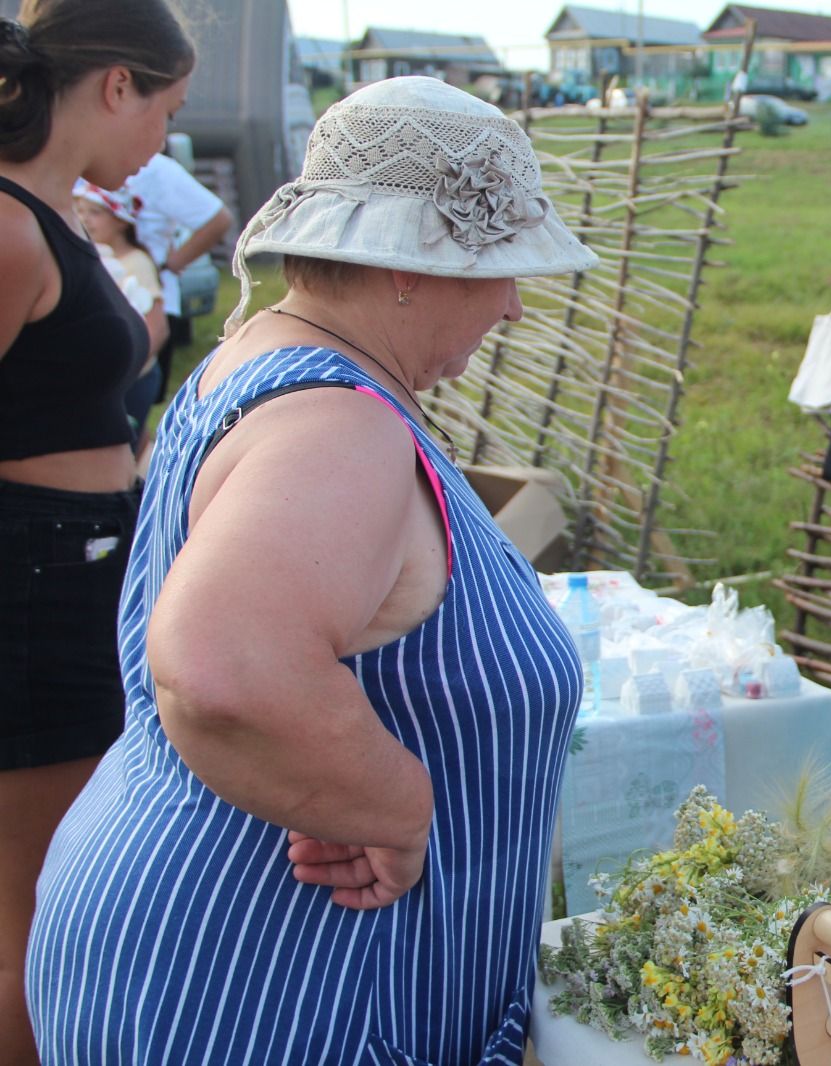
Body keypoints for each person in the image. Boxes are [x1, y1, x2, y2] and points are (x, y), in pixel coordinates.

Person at [26, 76, 598, 1063]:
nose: (511, 303)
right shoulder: (339, 424)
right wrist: (390, 800)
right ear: (408, 266)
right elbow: (222, 663)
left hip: (191, 938)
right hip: (265, 985)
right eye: (498, 266)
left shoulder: (254, 360)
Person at [0, 1, 193, 1060]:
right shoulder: (8, 226)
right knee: (33, 909)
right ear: (117, 85)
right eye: (166, 109)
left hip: (80, 565)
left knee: (63, 890)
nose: (162, 141)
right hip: (31, 576)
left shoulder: (56, 213)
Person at [124, 145, 231, 400]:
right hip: (103, 295)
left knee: (137, 400)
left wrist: (170, 263)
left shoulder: (155, 169)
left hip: (151, 302)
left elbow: (217, 219)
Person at [74, 180, 168, 447]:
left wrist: (127, 369)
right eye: (79, 211)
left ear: (121, 220)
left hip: (135, 374)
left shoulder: (135, 263)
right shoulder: (95, 258)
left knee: (127, 440)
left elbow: (157, 326)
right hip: (110, 375)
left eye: (95, 212)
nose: (85, 219)